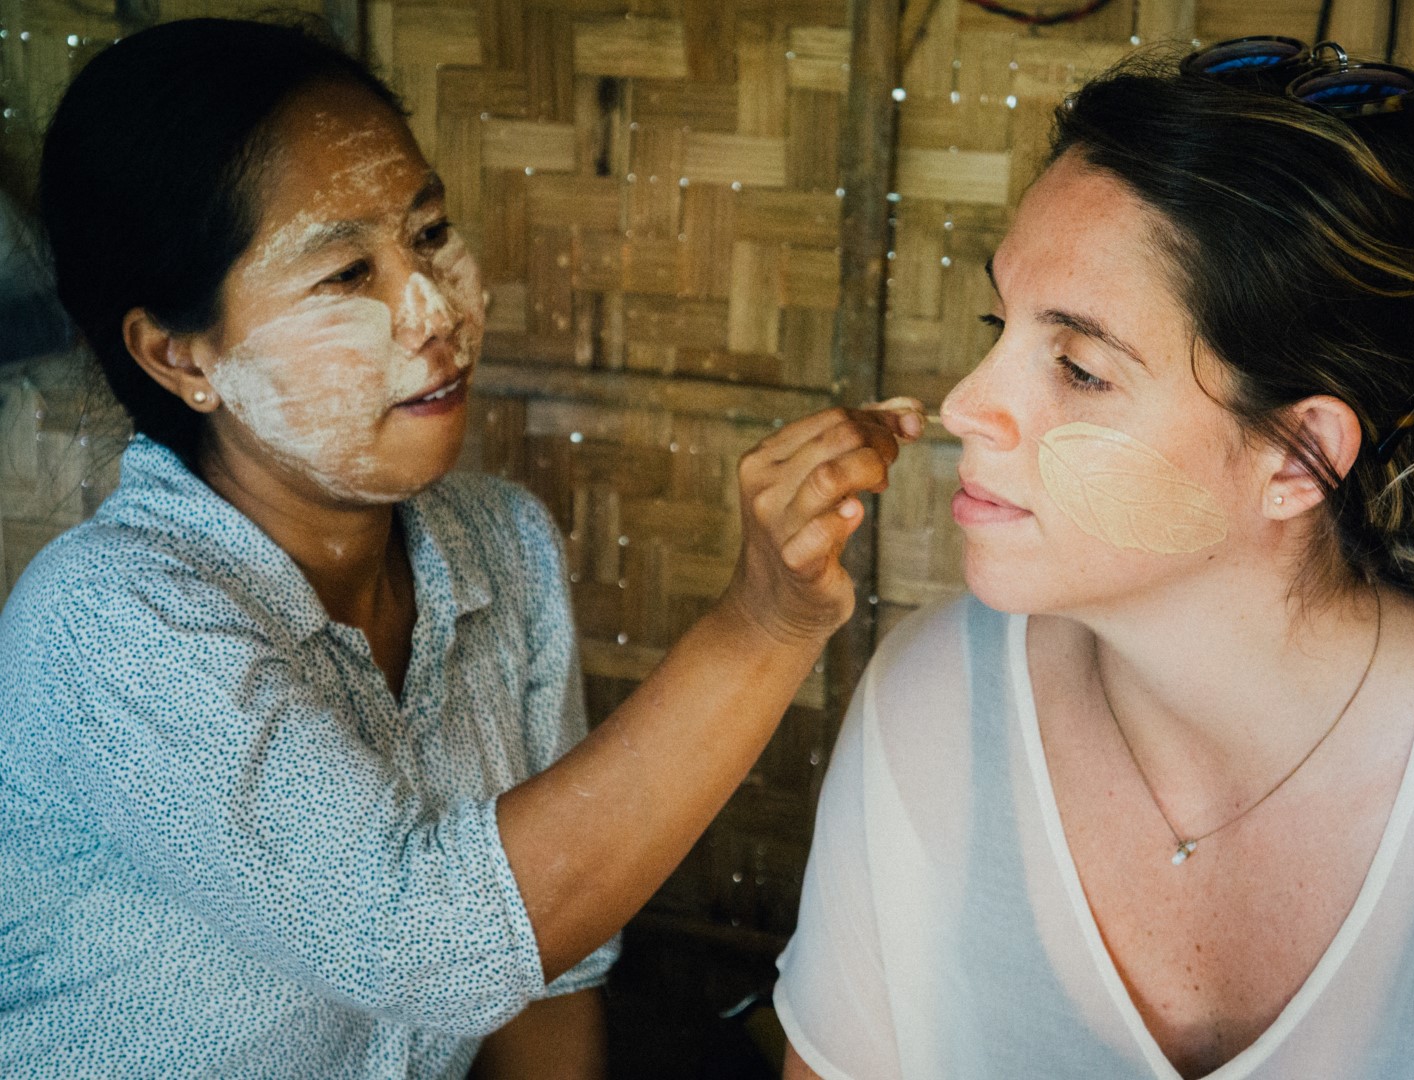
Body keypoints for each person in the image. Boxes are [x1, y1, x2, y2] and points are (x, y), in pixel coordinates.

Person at [0, 18, 922, 1078]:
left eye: (429, 232)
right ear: (179, 356)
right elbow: (429, 942)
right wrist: (764, 623)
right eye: (346, 274)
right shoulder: (111, 620)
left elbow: (552, 972)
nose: (433, 311)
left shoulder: (498, 544)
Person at [774, 41, 1414, 1080]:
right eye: (1002, 325)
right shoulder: (935, 701)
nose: (960, 405)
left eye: (1080, 368)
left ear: (1299, 457)